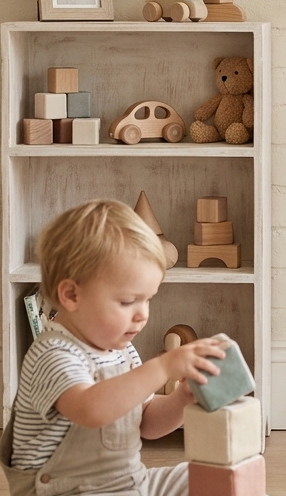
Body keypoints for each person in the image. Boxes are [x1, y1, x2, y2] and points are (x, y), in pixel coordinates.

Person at [0, 199, 227, 495]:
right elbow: (91, 409)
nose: (142, 314)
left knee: (214, 478)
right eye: (127, 301)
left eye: (147, 299)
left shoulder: (120, 349)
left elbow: (146, 422)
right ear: (71, 295)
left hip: (128, 482)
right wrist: (161, 367)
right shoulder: (53, 354)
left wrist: (183, 398)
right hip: (67, 490)